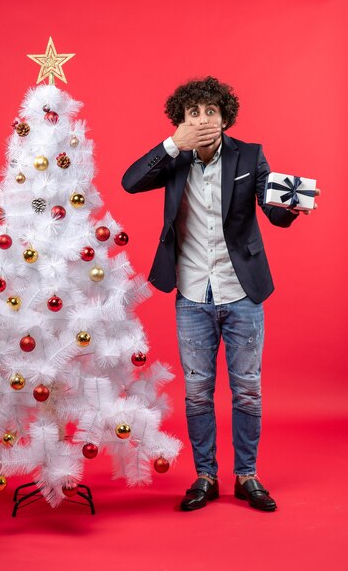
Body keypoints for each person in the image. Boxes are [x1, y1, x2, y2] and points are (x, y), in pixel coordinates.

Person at [121, 76, 319, 512]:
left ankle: (247, 475)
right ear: (182, 121)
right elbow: (130, 182)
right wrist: (173, 144)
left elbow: (273, 209)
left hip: (241, 291)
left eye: (211, 111)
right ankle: (205, 476)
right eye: (194, 112)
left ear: (225, 117)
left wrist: (290, 208)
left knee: (247, 390)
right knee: (197, 391)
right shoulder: (174, 159)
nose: (204, 119)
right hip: (191, 293)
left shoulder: (249, 155)